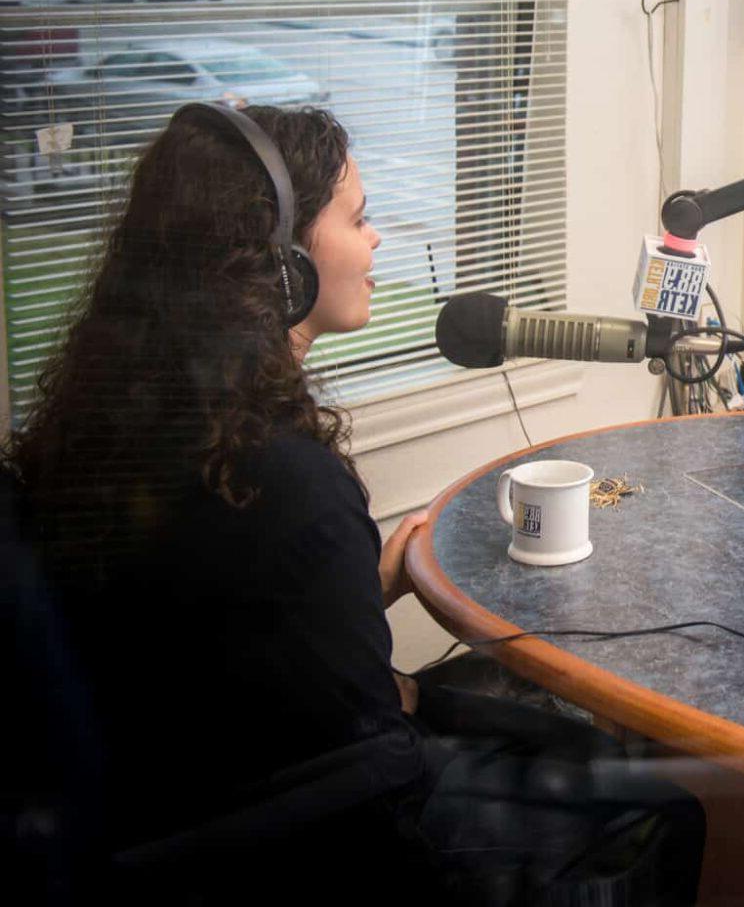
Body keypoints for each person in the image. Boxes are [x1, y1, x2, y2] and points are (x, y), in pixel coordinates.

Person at [5, 103, 700, 903]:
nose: (376, 242)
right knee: (662, 801)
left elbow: (215, 647)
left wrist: (367, 585)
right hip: (328, 838)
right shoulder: (285, 478)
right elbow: (376, 748)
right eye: (358, 219)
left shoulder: (120, 423)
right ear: (280, 263)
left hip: (175, 785)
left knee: (553, 733)